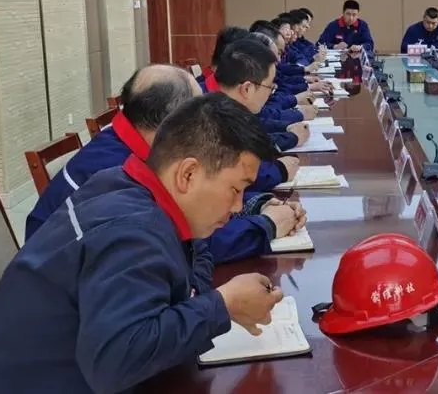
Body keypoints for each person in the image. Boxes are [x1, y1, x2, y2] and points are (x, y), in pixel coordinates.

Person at [0, 93, 286, 393]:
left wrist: (203, 302)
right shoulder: (132, 231)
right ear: (188, 174)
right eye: (235, 189)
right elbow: (115, 363)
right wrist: (223, 304)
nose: (237, 206)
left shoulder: (127, 185)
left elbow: (197, 257)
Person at [26, 64, 305, 263]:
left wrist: (254, 204)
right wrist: (265, 226)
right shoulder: (117, 170)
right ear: (172, 122)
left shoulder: (132, 142)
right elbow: (183, 241)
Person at [205, 38, 303, 192]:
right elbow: (227, 175)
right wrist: (279, 171)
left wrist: (260, 201)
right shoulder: (204, 114)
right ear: (247, 89)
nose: (271, 93)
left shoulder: (226, 103)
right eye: (270, 87)